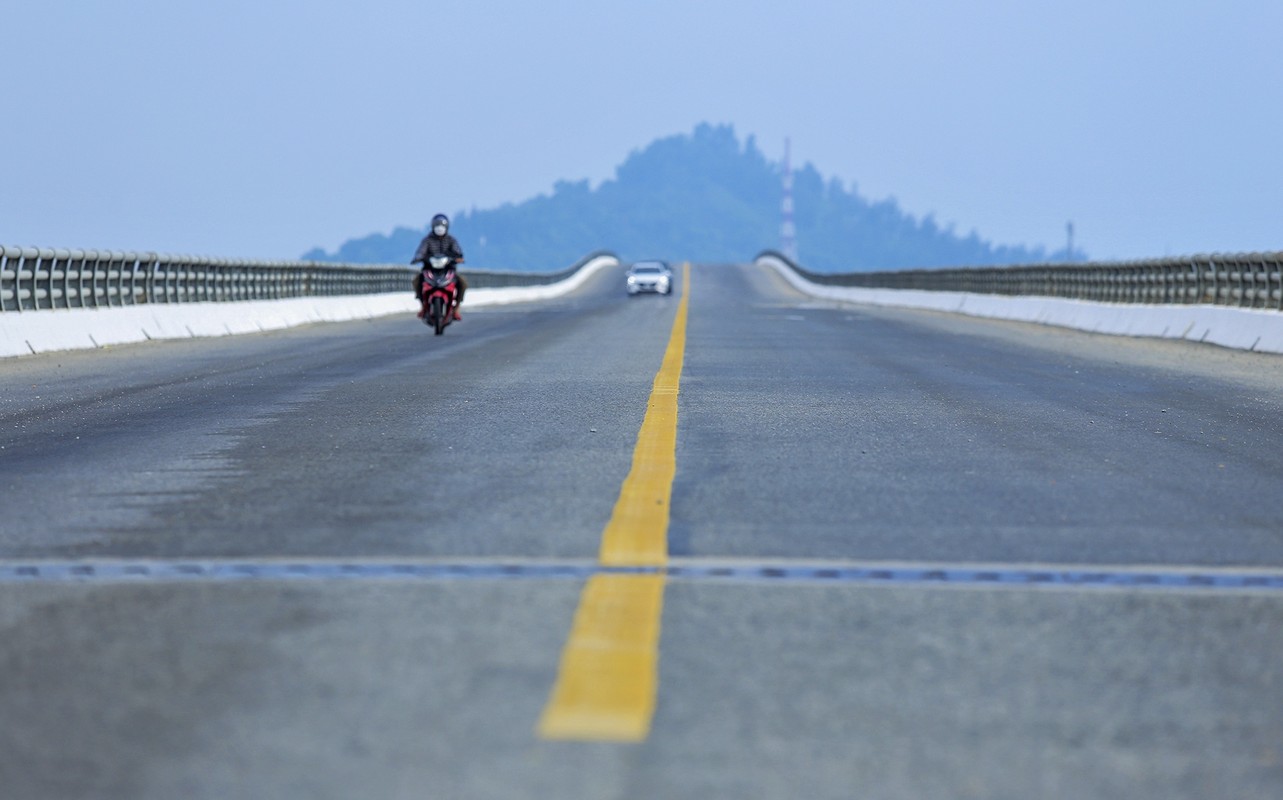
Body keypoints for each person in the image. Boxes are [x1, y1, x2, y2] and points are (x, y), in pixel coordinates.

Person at [411, 213, 467, 320]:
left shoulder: (451, 240)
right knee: (416, 281)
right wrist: (418, 258)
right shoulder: (428, 240)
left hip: (448, 270)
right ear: (433, 226)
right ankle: (423, 305)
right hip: (430, 270)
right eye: (437, 225)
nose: (439, 228)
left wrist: (457, 258)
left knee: (462, 283)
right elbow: (421, 251)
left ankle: (456, 308)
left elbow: (458, 252)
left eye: (441, 225)